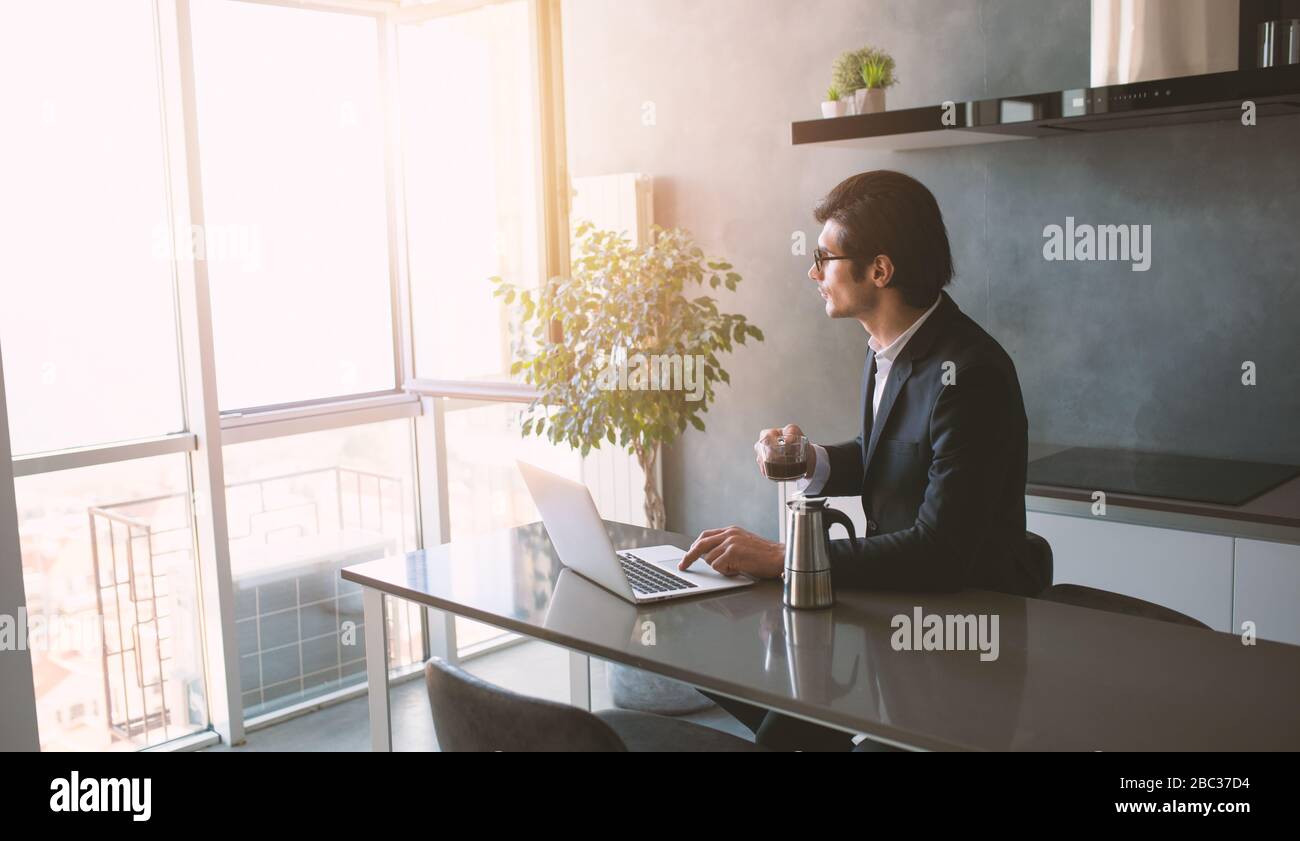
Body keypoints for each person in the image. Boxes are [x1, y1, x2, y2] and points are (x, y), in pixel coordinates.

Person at [679, 170, 1046, 750]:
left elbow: (941, 551)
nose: (813, 272)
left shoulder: (970, 374)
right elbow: (892, 456)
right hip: (892, 608)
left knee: (783, 724)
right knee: (741, 676)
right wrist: (809, 459)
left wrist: (784, 557)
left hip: (955, 642)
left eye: (824, 257)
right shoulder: (886, 349)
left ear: (880, 270)